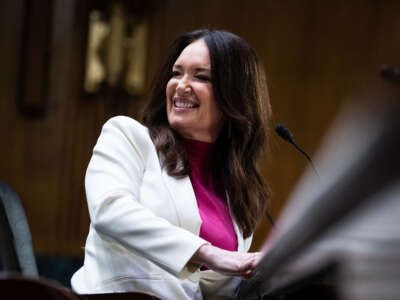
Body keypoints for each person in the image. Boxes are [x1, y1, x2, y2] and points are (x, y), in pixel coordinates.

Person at [71, 29, 272, 300]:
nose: (180, 85)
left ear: (234, 96)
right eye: (177, 73)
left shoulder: (236, 186)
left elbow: (213, 289)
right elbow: (110, 210)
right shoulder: (128, 136)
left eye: (201, 77)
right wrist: (209, 253)